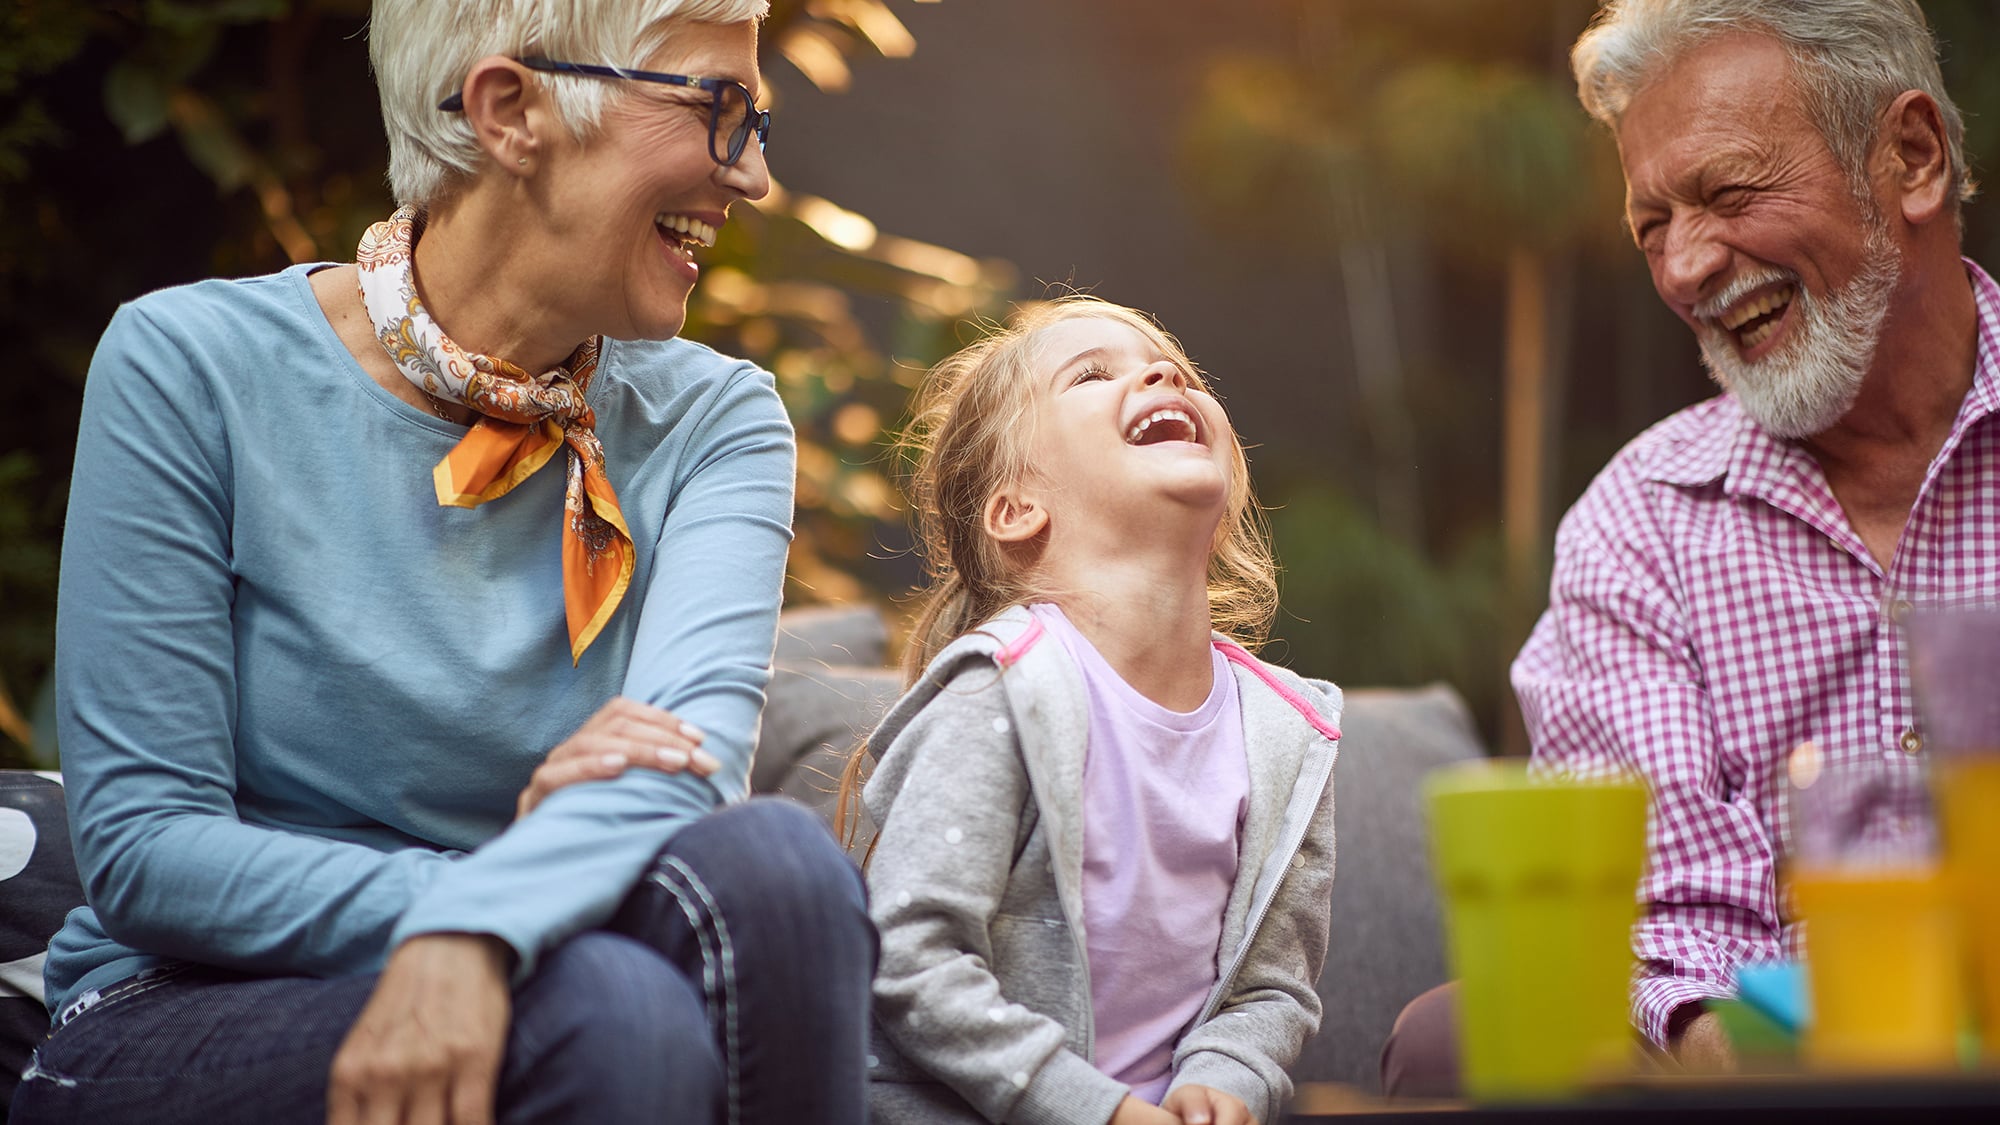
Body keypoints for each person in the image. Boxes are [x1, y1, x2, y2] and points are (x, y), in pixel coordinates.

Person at [12, 2, 876, 1122]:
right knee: (609, 1013)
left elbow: (686, 769)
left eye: (754, 120)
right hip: (187, 1004)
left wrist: (488, 919)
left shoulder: (719, 421)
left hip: (558, 947)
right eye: (716, 110)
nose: (752, 173)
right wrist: (465, 905)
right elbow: (148, 853)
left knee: (783, 873)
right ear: (511, 111)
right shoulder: (189, 366)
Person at [1382, 0, 1997, 1095]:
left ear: (1909, 156)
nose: (1681, 268)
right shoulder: (1639, 522)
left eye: (1725, 193)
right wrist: (1764, 1078)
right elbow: (1662, 913)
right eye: (1650, 225)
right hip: (1766, 1067)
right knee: (1452, 1035)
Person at [840, 298, 1343, 1125]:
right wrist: (1092, 1109)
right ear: (1016, 508)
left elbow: (1272, 985)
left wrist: (1227, 1077)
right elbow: (909, 955)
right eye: (1093, 374)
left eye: (1175, 367)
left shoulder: (1293, 735)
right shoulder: (998, 692)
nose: (1163, 373)